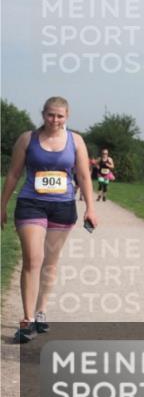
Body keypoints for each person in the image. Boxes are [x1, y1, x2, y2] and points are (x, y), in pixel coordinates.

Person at [1, 97, 98, 343]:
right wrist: (2, 205)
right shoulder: (27, 139)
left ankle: (41, 311)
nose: (55, 120)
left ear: (67, 117)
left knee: (50, 262)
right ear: (43, 114)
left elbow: (84, 176)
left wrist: (90, 208)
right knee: (33, 259)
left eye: (60, 116)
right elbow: (13, 174)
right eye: (50, 115)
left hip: (62, 206)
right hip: (31, 203)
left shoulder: (76, 141)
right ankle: (27, 319)